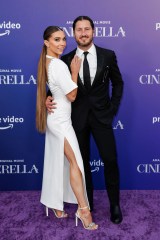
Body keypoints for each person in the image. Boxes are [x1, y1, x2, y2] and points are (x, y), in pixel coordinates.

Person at [46, 16, 124, 224]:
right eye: (79, 29)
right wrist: (47, 97)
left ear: (93, 31)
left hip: (102, 118)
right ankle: (87, 204)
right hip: (76, 119)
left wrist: (113, 108)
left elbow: (118, 83)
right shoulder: (65, 58)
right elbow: (56, 86)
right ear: (74, 33)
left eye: (87, 29)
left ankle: (115, 205)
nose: (83, 33)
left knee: (110, 160)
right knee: (81, 164)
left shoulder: (108, 56)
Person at [36, 26, 98, 230]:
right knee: (75, 163)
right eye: (56, 40)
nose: (62, 43)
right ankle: (83, 209)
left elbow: (55, 91)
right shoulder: (59, 65)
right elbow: (71, 96)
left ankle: (54, 204)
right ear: (47, 42)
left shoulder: (46, 62)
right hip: (61, 122)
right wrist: (74, 72)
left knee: (60, 162)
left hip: (57, 119)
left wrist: (47, 98)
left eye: (63, 39)